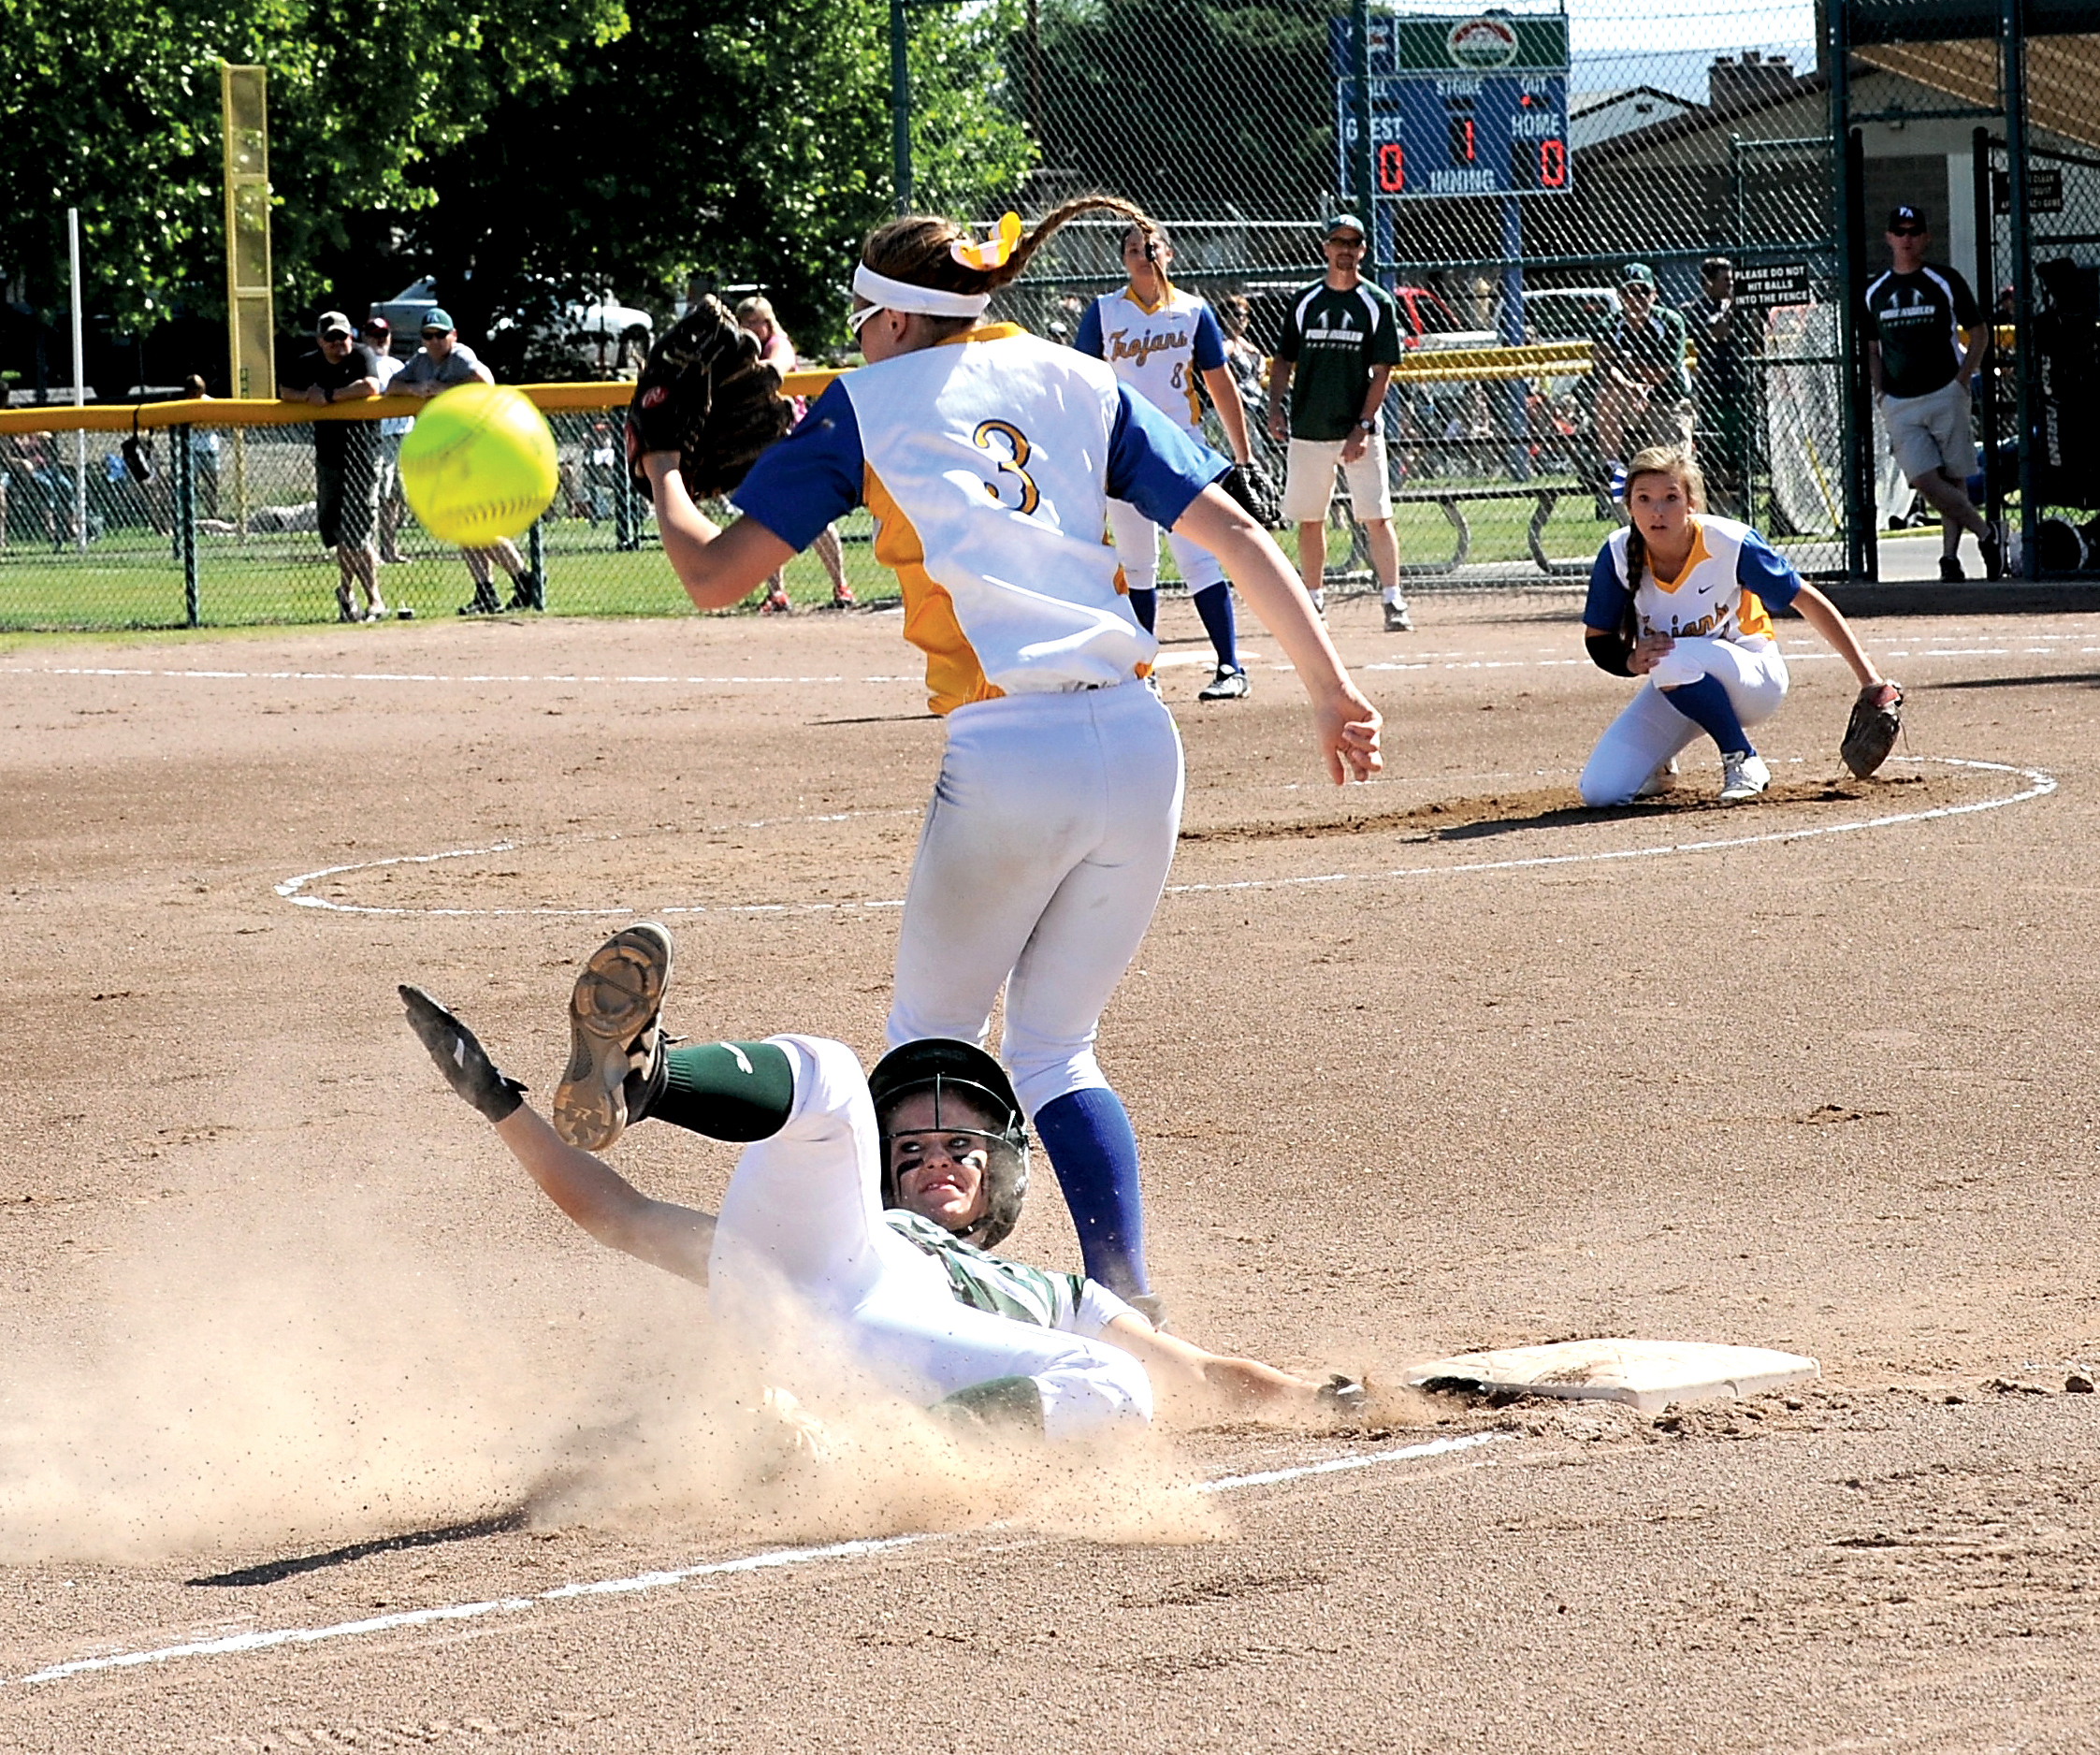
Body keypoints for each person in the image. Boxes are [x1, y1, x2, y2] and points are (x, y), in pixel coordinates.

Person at [631, 196, 1383, 1313]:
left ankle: (901, 1308)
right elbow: (1230, 531)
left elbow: (712, 576)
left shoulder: (864, 401)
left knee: (927, 1048)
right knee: (1056, 1047)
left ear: (891, 318)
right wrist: (1332, 689)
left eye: (858, 312)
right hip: (1137, 742)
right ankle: (1126, 1306)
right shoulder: (1079, 379)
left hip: (1005, 744)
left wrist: (660, 470)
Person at [398, 926, 1357, 1442]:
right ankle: (644, 1079)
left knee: (1117, 1383)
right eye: (912, 1152)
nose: (937, 1158)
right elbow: (625, 1216)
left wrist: (1326, 1397)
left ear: (1002, 1181)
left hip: (892, 1361)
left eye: (961, 1149)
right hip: (826, 1290)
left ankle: (854, 1452)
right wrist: (500, 1104)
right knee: (825, 1070)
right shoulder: (840, 1230)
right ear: (880, 1177)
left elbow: (1197, 1374)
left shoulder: (1052, 1296)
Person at [1577, 445, 1898, 806]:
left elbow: (1806, 600)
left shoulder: (1729, 543)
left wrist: (1871, 680)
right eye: (1644, 499)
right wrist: (1629, 661)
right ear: (1629, 507)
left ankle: (1743, 759)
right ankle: (1660, 764)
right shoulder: (1618, 553)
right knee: (1600, 792)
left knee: (1671, 656)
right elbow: (1599, 640)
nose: (1657, 511)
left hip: (1754, 679)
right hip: (1679, 681)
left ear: (1691, 503)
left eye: (1670, 498)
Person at [1075, 224, 1262, 700]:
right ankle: (1144, 671)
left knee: (1199, 559)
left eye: (1151, 247)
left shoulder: (1192, 311)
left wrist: (1245, 458)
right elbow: (1080, 383)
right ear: (1122, 260)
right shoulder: (1104, 313)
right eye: (1133, 249)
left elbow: (1220, 385)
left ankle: (1229, 667)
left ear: (1170, 254)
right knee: (1138, 566)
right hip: (1124, 451)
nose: (1143, 256)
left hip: (1181, 449)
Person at [1266, 213, 1412, 631]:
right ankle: (1313, 600)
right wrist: (1276, 407)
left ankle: (1393, 599)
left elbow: (1383, 371)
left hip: (1359, 429)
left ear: (1363, 250)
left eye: (1354, 243)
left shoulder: (1376, 303)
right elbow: (1283, 359)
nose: (1346, 250)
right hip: (1310, 426)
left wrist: (1362, 427)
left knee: (1377, 515)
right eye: (1338, 242)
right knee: (1310, 518)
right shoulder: (1306, 301)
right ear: (1325, 248)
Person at [1863, 205, 2001, 583]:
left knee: (1954, 475)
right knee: (1923, 478)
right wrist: (1880, 391)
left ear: (1925, 237)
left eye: (1914, 231)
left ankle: (1950, 559)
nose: (1907, 238)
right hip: (1900, 400)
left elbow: (1979, 331)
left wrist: (1962, 377)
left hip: (1945, 390)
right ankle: (1987, 533)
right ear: (1889, 237)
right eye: (1900, 232)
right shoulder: (1876, 289)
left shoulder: (1944, 280)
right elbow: (1872, 347)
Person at [393, 307, 545, 614]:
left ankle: (525, 581)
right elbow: (391, 386)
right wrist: (415, 388)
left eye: (440, 335)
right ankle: (488, 592)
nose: (434, 341)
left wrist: (443, 389)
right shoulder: (421, 362)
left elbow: (486, 382)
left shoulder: (460, 356)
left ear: (453, 335)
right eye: (428, 336)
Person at [733, 297, 853, 613]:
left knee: (814, 514)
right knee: (764, 516)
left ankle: (841, 586)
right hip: (761, 439)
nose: (750, 328)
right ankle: (777, 593)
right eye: (744, 322)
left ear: (768, 323)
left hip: (792, 437)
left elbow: (776, 367)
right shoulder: (742, 352)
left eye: (755, 321)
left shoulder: (778, 343)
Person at [278, 312, 385, 622]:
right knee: (338, 531)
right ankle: (346, 593)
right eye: (332, 338)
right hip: (329, 457)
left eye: (344, 336)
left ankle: (374, 598)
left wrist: (328, 396)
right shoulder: (309, 362)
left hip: (363, 455)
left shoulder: (362, 355)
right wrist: (306, 397)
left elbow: (370, 386)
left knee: (357, 530)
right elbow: (285, 392)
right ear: (320, 341)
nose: (340, 343)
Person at [1593, 264, 1695, 488]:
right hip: (1629, 399)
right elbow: (1604, 366)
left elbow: (1659, 373)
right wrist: (1630, 386)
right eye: (1629, 292)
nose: (1635, 299)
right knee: (1608, 390)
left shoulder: (1670, 322)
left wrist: (1625, 363)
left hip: (1668, 400)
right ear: (1620, 296)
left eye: (1642, 292)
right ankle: (1612, 465)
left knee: (1675, 473)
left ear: (1654, 295)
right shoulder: (1609, 325)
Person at [1681, 257, 1746, 517]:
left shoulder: (1739, 307)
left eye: (1733, 281)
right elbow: (1715, 333)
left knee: (1743, 450)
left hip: (1742, 386)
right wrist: (1734, 307)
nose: (1730, 286)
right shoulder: (1695, 309)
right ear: (1708, 283)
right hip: (1714, 389)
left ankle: (1743, 502)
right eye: (1725, 281)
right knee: (1718, 452)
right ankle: (1719, 507)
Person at [362, 316, 413, 565]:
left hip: (401, 435)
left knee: (394, 497)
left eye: (384, 334)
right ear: (366, 338)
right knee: (376, 496)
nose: (380, 339)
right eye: (374, 334)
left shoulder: (397, 364)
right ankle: (369, 550)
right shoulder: (365, 363)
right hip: (378, 438)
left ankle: (390, 549)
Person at [180, 375, 221, 520]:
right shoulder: (185, 405)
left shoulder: (209, 402)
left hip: (210, 448)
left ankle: (213, 515)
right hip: (193, 449)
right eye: (195, 390)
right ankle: (191, 516)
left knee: (212, 484)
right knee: (191, 483)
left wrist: (205, 424)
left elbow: (217, 423)